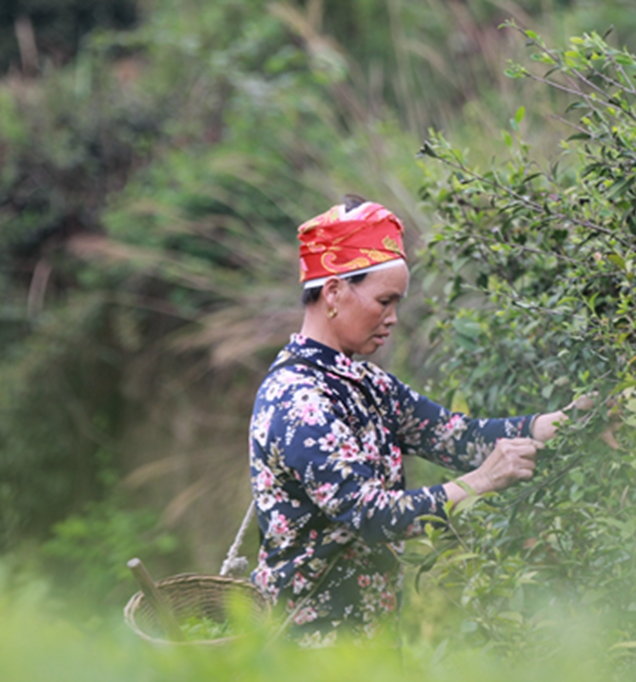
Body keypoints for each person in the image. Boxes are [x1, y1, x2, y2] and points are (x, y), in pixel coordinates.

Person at [248, 196, 583, 647]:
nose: (393, 318)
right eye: (384, 301)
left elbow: (459, 438)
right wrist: (479, 482)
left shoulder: (363, 382)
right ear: (333, 293)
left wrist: (571, 422)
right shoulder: (298, 400)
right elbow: (370, 515)